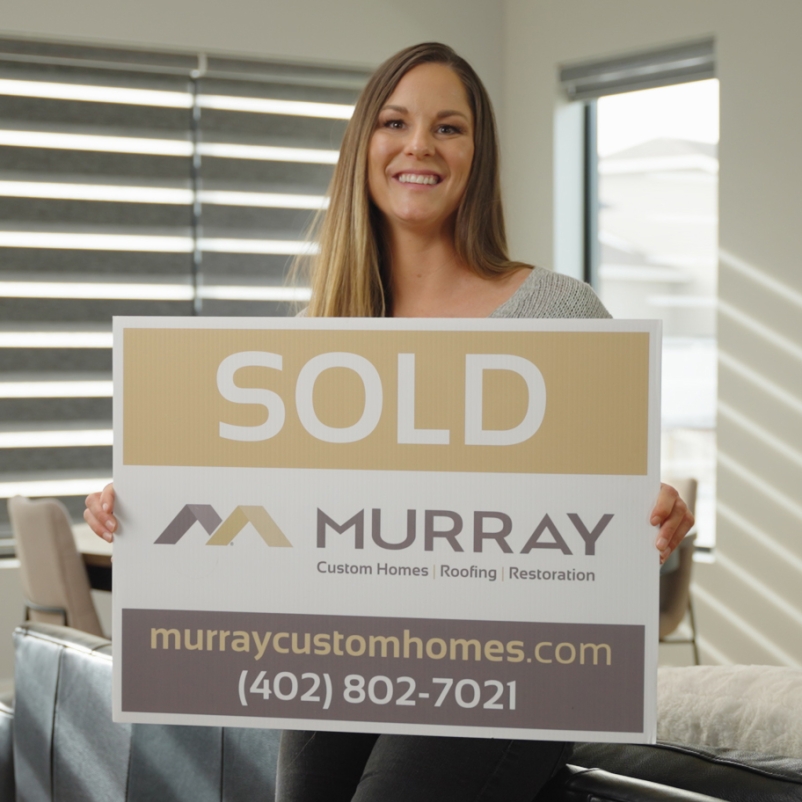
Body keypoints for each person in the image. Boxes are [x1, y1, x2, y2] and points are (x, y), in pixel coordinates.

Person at [85, 42, 694, 802]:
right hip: (348, 647)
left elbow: (633, 564)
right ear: (362, 148)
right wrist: (146, 500)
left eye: (449, 128)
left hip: (509, 663)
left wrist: (658, 522)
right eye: (396, 122)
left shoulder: (559, 313)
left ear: (478, 153)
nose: (419, 147)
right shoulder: (323, 341)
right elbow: (266, 517)